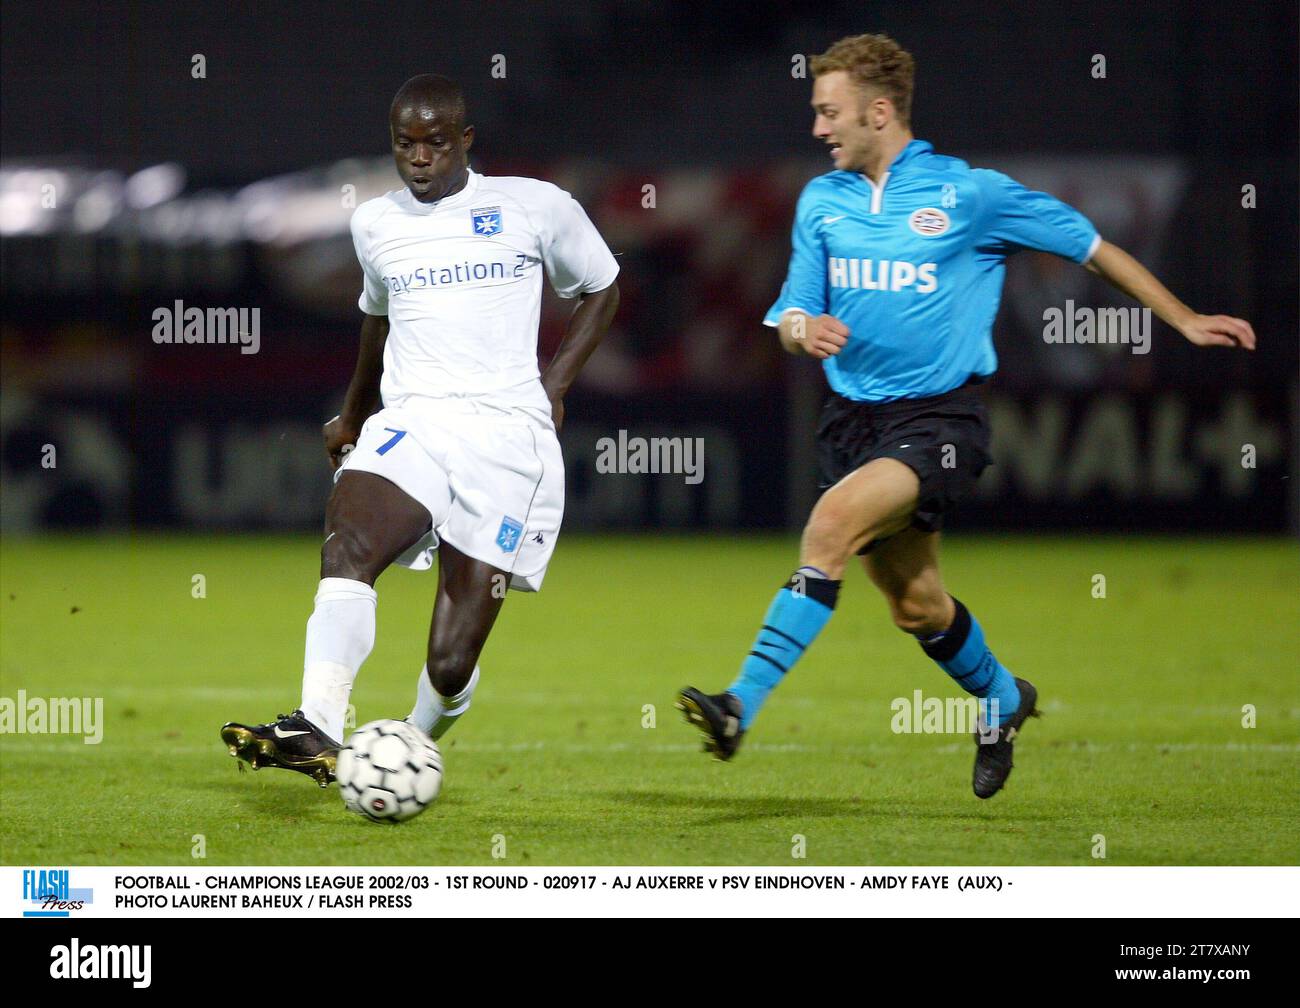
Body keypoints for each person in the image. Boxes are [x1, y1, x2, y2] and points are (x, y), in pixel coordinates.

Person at [678, 33, 1253, 798]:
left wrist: (1180, 319)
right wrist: (798, 330)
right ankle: (1002, 697)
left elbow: (1093, 248)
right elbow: (790, 308)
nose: (818, 128)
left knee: (828, 528)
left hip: (940, 423)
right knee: (916, 607)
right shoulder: (822, 200)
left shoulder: (971, 195)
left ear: (878, 112)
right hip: (851, 421)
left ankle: (737, 706)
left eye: (830, 112)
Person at [222, 74, 620, 785]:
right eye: (406, 144)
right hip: (414, 421)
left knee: (451, 659)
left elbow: (601, 287)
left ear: (465, 140)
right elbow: (375, 322)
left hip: (506, 439)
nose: (420, 158)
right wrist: (355, 413)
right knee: (349, 541)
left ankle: (411, 745)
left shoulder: (533, 206)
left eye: (436, 143)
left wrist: (554, 388)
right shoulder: (376, 224)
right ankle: (316, 722)